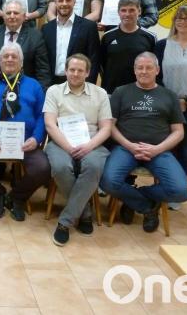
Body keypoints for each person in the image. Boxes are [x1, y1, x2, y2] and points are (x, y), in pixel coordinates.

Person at [100, 52, 187, 233]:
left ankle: (131, 200)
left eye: (149, 67)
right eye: (140, 68)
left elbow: (179, 132)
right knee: (107, 182)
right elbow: (110, 126)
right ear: (134, 71)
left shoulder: (169, 95)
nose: (144, 71)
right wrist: (129, 145)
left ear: (157, 70)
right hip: (125, 148)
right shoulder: (121, 92)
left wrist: (157, 149)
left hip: (159, 150)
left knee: (182, 192)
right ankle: (147, 206)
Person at [0, 42, 50, 221]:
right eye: (5, 56)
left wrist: (37, 138)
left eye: (14, 56)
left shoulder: (34, 85)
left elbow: (41, 115)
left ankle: (16, 197)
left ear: (21, 63)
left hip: (25, 140)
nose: (9, 59)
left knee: (42, 168)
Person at [43, 54, 112, 246]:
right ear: (65, 71)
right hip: (60, 142)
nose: (75, 73)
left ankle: (65, 222)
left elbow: (106, 128)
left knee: (94, 166)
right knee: (60, 167)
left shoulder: (100, 93)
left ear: (88, 73)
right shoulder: (53, 91)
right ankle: (85, 212)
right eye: (72, 70)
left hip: (92, 143)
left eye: (80, 70)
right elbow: (50, 125)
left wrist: (88, 146)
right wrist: (68, 147)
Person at [154, 5, 187, 177]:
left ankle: (178, 189)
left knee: (186, 149)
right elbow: (155, 75)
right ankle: (161, 184)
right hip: (166, 105)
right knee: (164, 147)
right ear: (174, 21)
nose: (183, 22)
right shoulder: (162, 45)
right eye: (179, 18)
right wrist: (173, 100)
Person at [0, 0, 52, 89]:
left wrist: (41, 94)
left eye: (16, 13)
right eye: (8, 13)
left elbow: (42, 70)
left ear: (24, 16)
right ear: (3, 16)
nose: (12, 16)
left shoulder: (35, 37)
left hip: (24, 90)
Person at [41, 0, 101, 85]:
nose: (64, 4)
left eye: (68, 0)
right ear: (55, 3)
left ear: (74, 2)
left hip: (79, 83)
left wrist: (89, 85)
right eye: (60, 0)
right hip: (51, 84)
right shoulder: (46, 29)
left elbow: (94, 59)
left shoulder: (88, 27)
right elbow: (42, 60)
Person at [99, 0, 156, 94]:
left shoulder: (150, 37)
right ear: (118, 12)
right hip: (111, 92)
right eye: (123, 10)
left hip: (140, 92)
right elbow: (102, 65)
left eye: (132, 10)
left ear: (139, 11)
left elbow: (154, 67)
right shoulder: (107, 37)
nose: (127, 14)